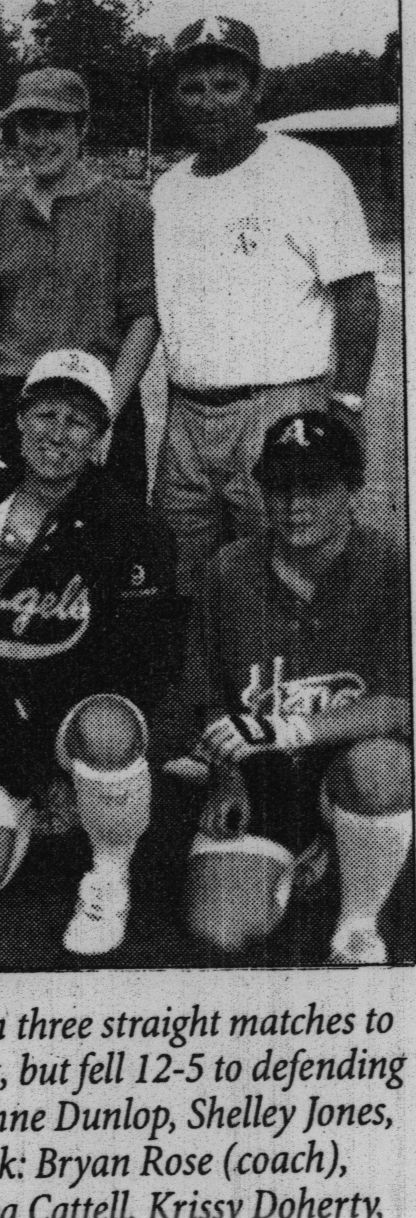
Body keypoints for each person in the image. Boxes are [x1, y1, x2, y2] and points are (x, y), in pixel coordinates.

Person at [0, 350, 179, 956]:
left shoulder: (131, 524)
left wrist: (64, 770)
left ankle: (110, 870)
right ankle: (19, 809)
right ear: (19, 420)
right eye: (45, 414)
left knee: (108, 729)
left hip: (69, 725)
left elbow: (146, 664)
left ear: (101, 435)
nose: (57, 433)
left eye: (78, 421)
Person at [171, 413, 410, 964]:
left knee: (381, 770)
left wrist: (288, 728)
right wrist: (226, 777)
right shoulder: (229, 569)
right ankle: (312, 851)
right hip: (265, 775)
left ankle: (358, 923)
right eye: (280, 487)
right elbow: (206, 695)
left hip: (352, 769)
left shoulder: (393, 566)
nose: (295, 504)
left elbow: (403, 705)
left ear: (353, 487)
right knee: (219, 930)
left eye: (315, 487)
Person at [152, 18, 380, 592]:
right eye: (192, 88)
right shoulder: (168, 189)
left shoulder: (308, 171)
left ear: (257, 88)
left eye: (226, 85)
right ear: (175, 95)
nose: (209, 102)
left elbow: (357, 296)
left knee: (287, 577)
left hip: (279, 409)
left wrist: (347, 404)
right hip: (187, 417)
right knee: (183, 583)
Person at [0, 68, 157, 499]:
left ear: (82, 127)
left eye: (54, 125)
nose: (39, 140)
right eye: (28, 126)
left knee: (108, 527)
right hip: (15, 396)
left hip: (98, 393)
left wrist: (108, 413)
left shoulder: (125, 208)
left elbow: (144, 319)